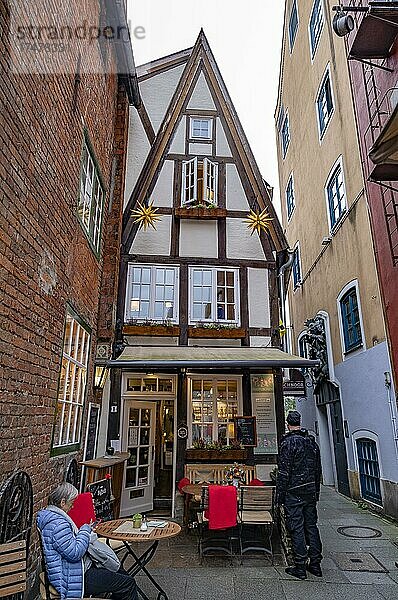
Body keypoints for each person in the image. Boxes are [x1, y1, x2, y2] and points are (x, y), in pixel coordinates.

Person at [37, 482, 138, 600]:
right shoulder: (58, 524)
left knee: (120, 573)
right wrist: (85, 530)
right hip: (74, 577)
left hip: (75, 570)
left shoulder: (52, 518)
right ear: (62, 502)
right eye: (72, 503)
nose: (73, 506)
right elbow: (74, 553)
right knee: (128, 584)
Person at [276, 410, 323, 580]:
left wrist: (279, 497)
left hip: (294, 492)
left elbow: (283, 473)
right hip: (310, 491)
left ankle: (300, 566)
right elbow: (318, 470)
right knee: (311, 526)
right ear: (300, 423)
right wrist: (316, 492)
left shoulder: (288, 444)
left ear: (288, 423)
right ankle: (316, 564)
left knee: (296, 528)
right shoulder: (311, 443)